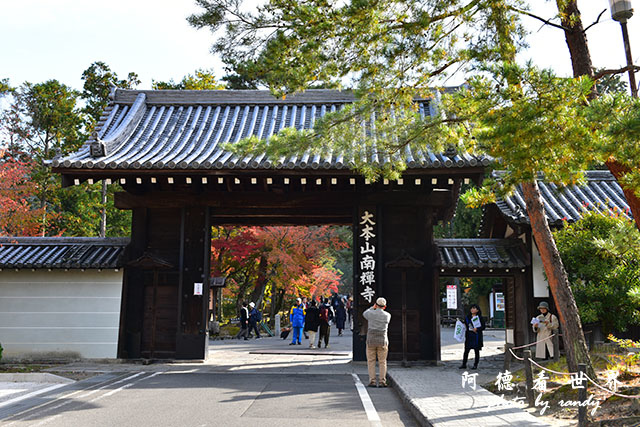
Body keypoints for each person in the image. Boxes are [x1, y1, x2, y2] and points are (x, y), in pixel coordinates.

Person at [363, 297, 391, 387]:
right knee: (382, 361)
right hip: (382, 340)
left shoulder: (370, 313)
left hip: (371, 340)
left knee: (371, 361)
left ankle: (372, 381)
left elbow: (364, 314)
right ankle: (382, 381)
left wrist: (372, 308)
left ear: (376, 305)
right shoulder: (387, 315)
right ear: (384, 306)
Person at [459, 304, 485, 370]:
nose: (472, 310)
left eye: (474, 308)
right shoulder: (468, 317)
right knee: (466, 350)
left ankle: (475, 365)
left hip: (476, 336)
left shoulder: (480, 318)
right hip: (469, 336)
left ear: (477, 310)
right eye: (471, 308)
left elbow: (483, 327)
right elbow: (465, 325)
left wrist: (477, 329)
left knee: (476, 351)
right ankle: (464, 364)